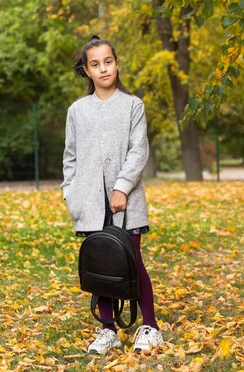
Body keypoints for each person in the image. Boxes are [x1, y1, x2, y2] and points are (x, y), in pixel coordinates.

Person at [61, 35, 163, 355]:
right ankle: (108, 330)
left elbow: (138, 151)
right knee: (102, 265)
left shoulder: (133, 105)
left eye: (108, 62)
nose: (103, 69)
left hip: (127, 203)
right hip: (90, 204)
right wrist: (71, 195)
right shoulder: (77, 111)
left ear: (116, 65)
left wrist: (121, 187)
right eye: (95, 64)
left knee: (133, 263)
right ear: (86, 71)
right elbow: (70, 158)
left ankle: (150, 327)